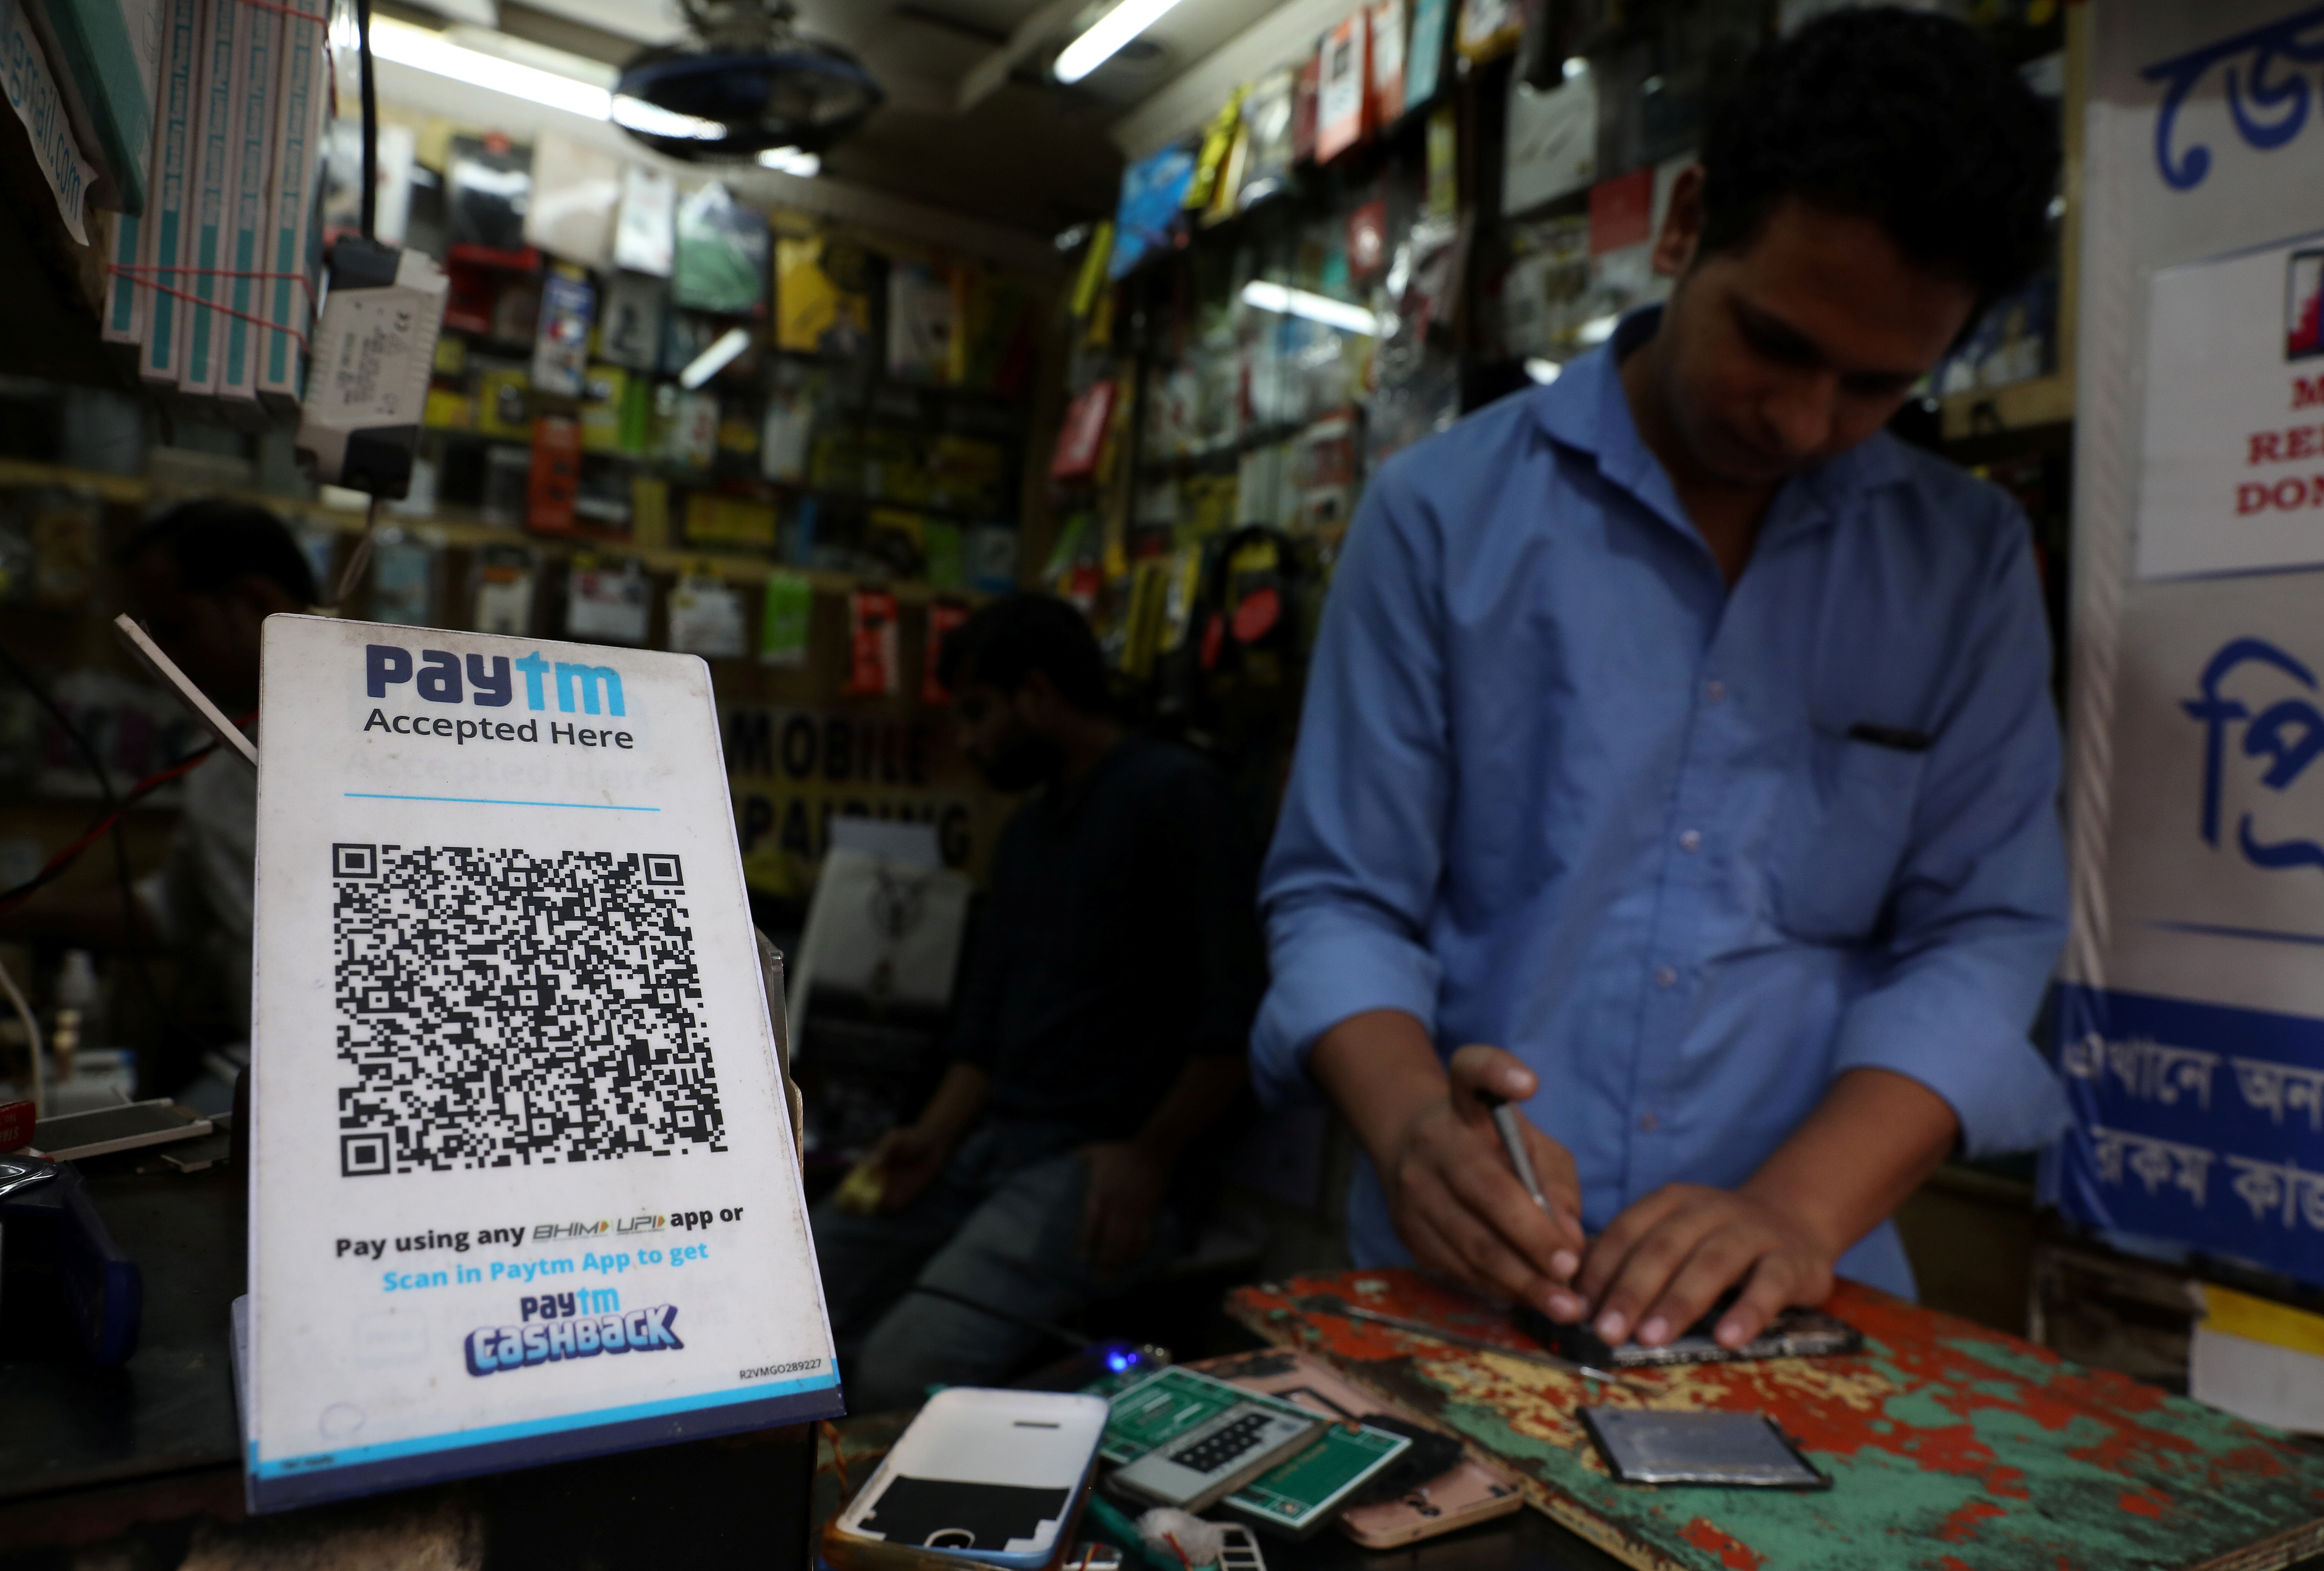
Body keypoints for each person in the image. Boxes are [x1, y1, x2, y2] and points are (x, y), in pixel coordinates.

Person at [1254, 8, 2064, 1358]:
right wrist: (1409, 1131)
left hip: (1799, 1304)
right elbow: (1340, 893)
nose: (1802, 422)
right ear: (1686, 224)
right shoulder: (1441, 514)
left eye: (1876, 385)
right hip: (1463, 1289)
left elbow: (1982, 932)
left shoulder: (1961, 561)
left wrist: (1793, 1209)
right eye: (1773, 341)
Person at [812, 593, 1261, 1410]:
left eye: (979, 711)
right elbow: (983, 1030)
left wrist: (1152, 1155)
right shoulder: (1029, 830)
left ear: (1037, 695)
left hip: (1095, 1164)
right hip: (989, 1147)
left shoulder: (1180, 796)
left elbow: (1237, 1020)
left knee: (901, 1369)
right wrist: (931, 1139)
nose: (970, 739)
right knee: (790, 1301)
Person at [3, 500, 314, 1092]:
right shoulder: (224, 765)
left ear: (252, 603)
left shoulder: (403, 724)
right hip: (264, 1068)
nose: (162, 661)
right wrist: (22, 909)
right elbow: (175, 911)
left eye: (175, 629)